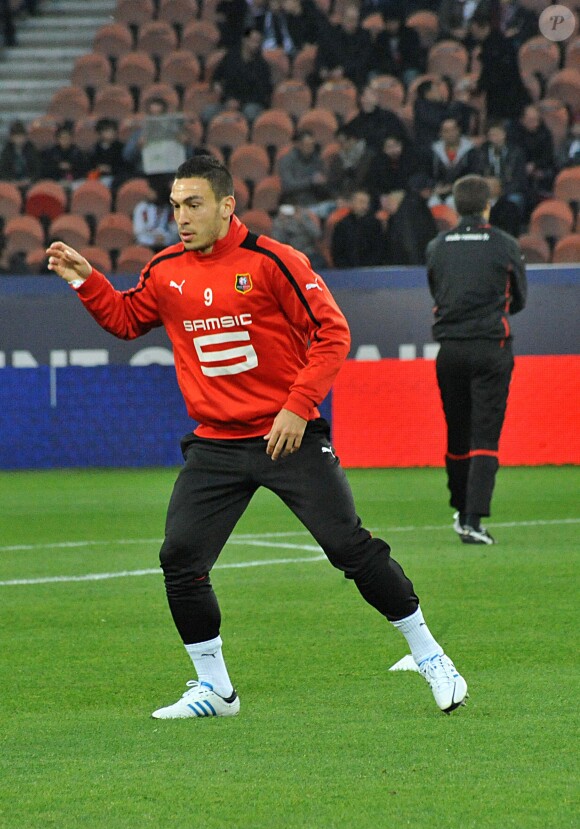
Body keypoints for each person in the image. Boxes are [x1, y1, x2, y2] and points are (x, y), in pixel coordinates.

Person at [46, 153, 468, 718]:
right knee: (181, 558)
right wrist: (87, 280)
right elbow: (126, 320)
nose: (182, 217)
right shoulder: (165, 269)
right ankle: (215, 690)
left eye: (193, 204)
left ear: (226, 205)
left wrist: (297, 406)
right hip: (216, 444)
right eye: (175, 206)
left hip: (286, 436)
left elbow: (332, 333)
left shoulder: (273, 261)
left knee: (348, 548)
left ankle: (429, 654)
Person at [426, 174, 527, 545]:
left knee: (457, 431)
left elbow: (437, 290)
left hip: (450, 349)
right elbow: (519, 299)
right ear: (488, 206)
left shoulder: (437, 246)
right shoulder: (505, 245)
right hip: (490, 347)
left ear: (455, 205)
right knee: (485, 434)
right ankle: (472, 519)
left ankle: (460, 506)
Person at [425, 116, 481, 207]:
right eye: (446, 131)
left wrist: (453, 187)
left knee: (452, 202)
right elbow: (426, 173)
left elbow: (474, 174)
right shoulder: (433, 152)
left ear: (458, 130)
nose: (450, 134)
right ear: (440, 133)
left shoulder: (470, 151)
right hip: (438, 191)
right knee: (432, 203)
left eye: (453, 130)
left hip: (462, 192)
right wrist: (435, 186)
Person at [330, 188, 385, 267]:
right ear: (352, 202)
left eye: (366, 202)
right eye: (360, 201)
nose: (363, 205)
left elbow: (379, 248)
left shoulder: (375, 224)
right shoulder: (342, 225)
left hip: (371, 270)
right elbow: (337, 250)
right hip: (346, 271)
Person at [0, 119, 41, 188]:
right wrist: (11, 181)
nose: (19, 139)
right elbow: (3, 170)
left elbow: (37, 168)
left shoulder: (31, 149)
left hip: (28, 182)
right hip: (11, 182)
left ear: (25, 137)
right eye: (16, 137)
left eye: (21, 136)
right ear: (11, 138)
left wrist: (30, 180)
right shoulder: (6, 150)